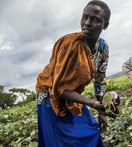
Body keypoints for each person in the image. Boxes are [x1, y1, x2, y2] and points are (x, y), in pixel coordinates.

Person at [35, 0, 111, 146]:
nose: (87, 23)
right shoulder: (69, 44)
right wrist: (91, 103)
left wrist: (101, 112)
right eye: (85, 17)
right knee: (62, 139)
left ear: (105, 25)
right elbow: (58, 88)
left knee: (90, 130)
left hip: (73, 94)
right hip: (48, 93)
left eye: (95, 20)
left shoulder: (102, 47)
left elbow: (100, 80)